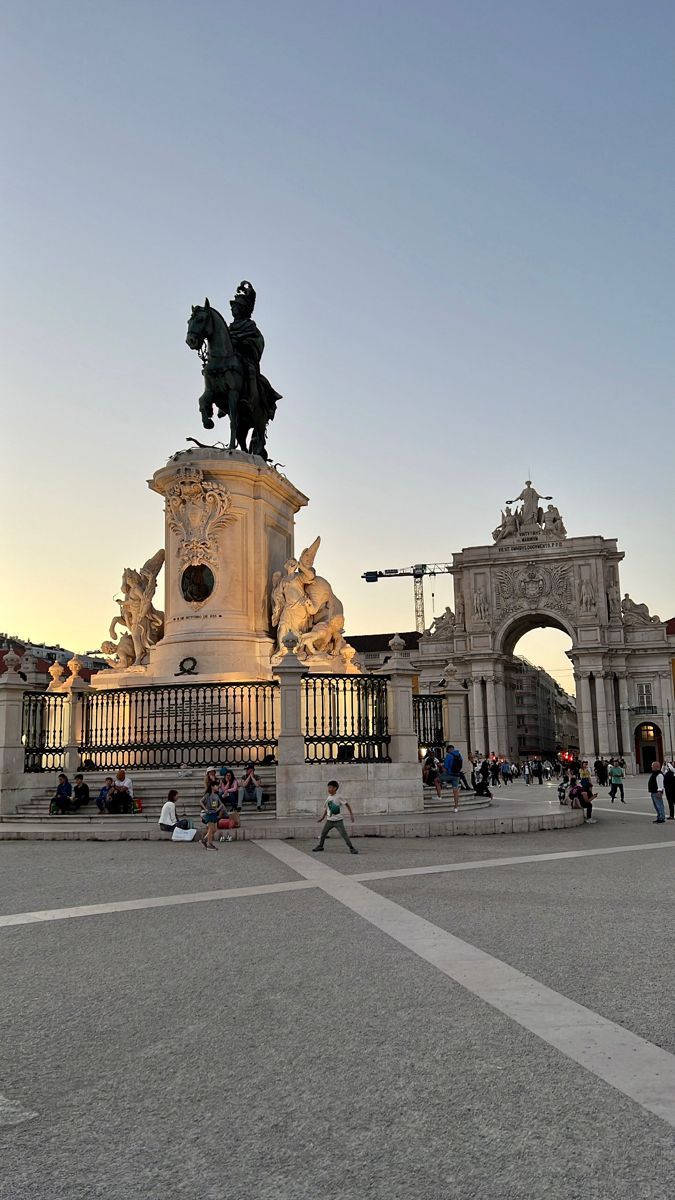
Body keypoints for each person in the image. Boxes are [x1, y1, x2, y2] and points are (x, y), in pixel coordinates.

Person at [312, 781, 358, 853]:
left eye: (330, 787)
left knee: (344, 834)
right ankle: (320, 846)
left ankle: (351, 848)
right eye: (328, 787)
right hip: (329, 821)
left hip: (338, 821)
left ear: (335, 788)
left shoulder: (339, 797)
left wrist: (351, 815)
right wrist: (322, 818)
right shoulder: (329, 797)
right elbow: (327, 809)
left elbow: (347, 805)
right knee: (323, 833)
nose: (328, 789)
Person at [200, 782, 224, 849]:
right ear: (212, 787)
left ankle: (204, 840)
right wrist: (205, 809)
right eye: (216, 786)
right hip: (209, 813)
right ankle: (209, 844)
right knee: (210, 829)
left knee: (215, 829)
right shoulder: (208, 795)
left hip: (214, 813)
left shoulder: (216, 796)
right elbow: (201, 801)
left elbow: (221, 804)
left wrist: (217, 809)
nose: (217, 787)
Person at [442, 744, 463, 813]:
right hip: (457, 775)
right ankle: (456, 807)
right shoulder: (459, 755)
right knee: (455, 791)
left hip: (450, 774)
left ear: (448, 750)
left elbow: (445, 768)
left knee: (436, 780)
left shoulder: (448, 756)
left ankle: (439, 796)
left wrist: (444, 780)